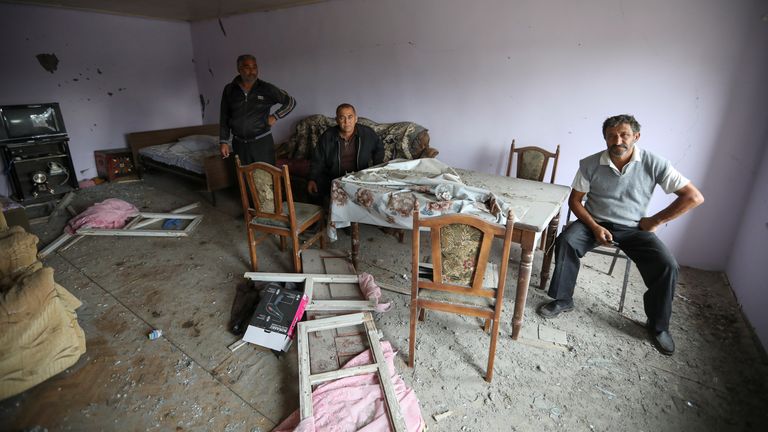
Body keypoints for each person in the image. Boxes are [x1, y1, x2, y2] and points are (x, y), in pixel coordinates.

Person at [538, 114, 704, 356]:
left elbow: (694, 197)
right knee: (566, 241)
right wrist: (594, 227)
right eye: (611, 136)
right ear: (605, 138)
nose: (618, 140)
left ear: (636, 136)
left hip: (634, 228)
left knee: (667, 265)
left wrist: (656, 220)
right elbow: (575, 201)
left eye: (624, 135)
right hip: (593, 222)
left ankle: (658, 326)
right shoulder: (589, 163)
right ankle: (563, 299)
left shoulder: (655, 163)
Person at [219, 54, 296, 165]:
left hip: (261, 143)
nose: (252, 71)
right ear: (239, 69)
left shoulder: (266, 88)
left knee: (265, 180)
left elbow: (291, 102)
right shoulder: (230, 90)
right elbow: (224, 116)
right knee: (243, 178)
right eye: (247, 67)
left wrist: (275, 117)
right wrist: (223, 141)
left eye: (254, 67)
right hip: (239, 144)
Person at [307, 103, 384, 205]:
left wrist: (375, 169)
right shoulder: (327, 136)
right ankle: (327, 218)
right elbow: (318, 159)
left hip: (359, 177)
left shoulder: (367, 133)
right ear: (337, 120)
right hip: (333, 177)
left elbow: (379, 149)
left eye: (350, 117)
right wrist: (312, 179)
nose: (347, 122)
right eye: (342, 118)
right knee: (315, 190)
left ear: (356, 118)